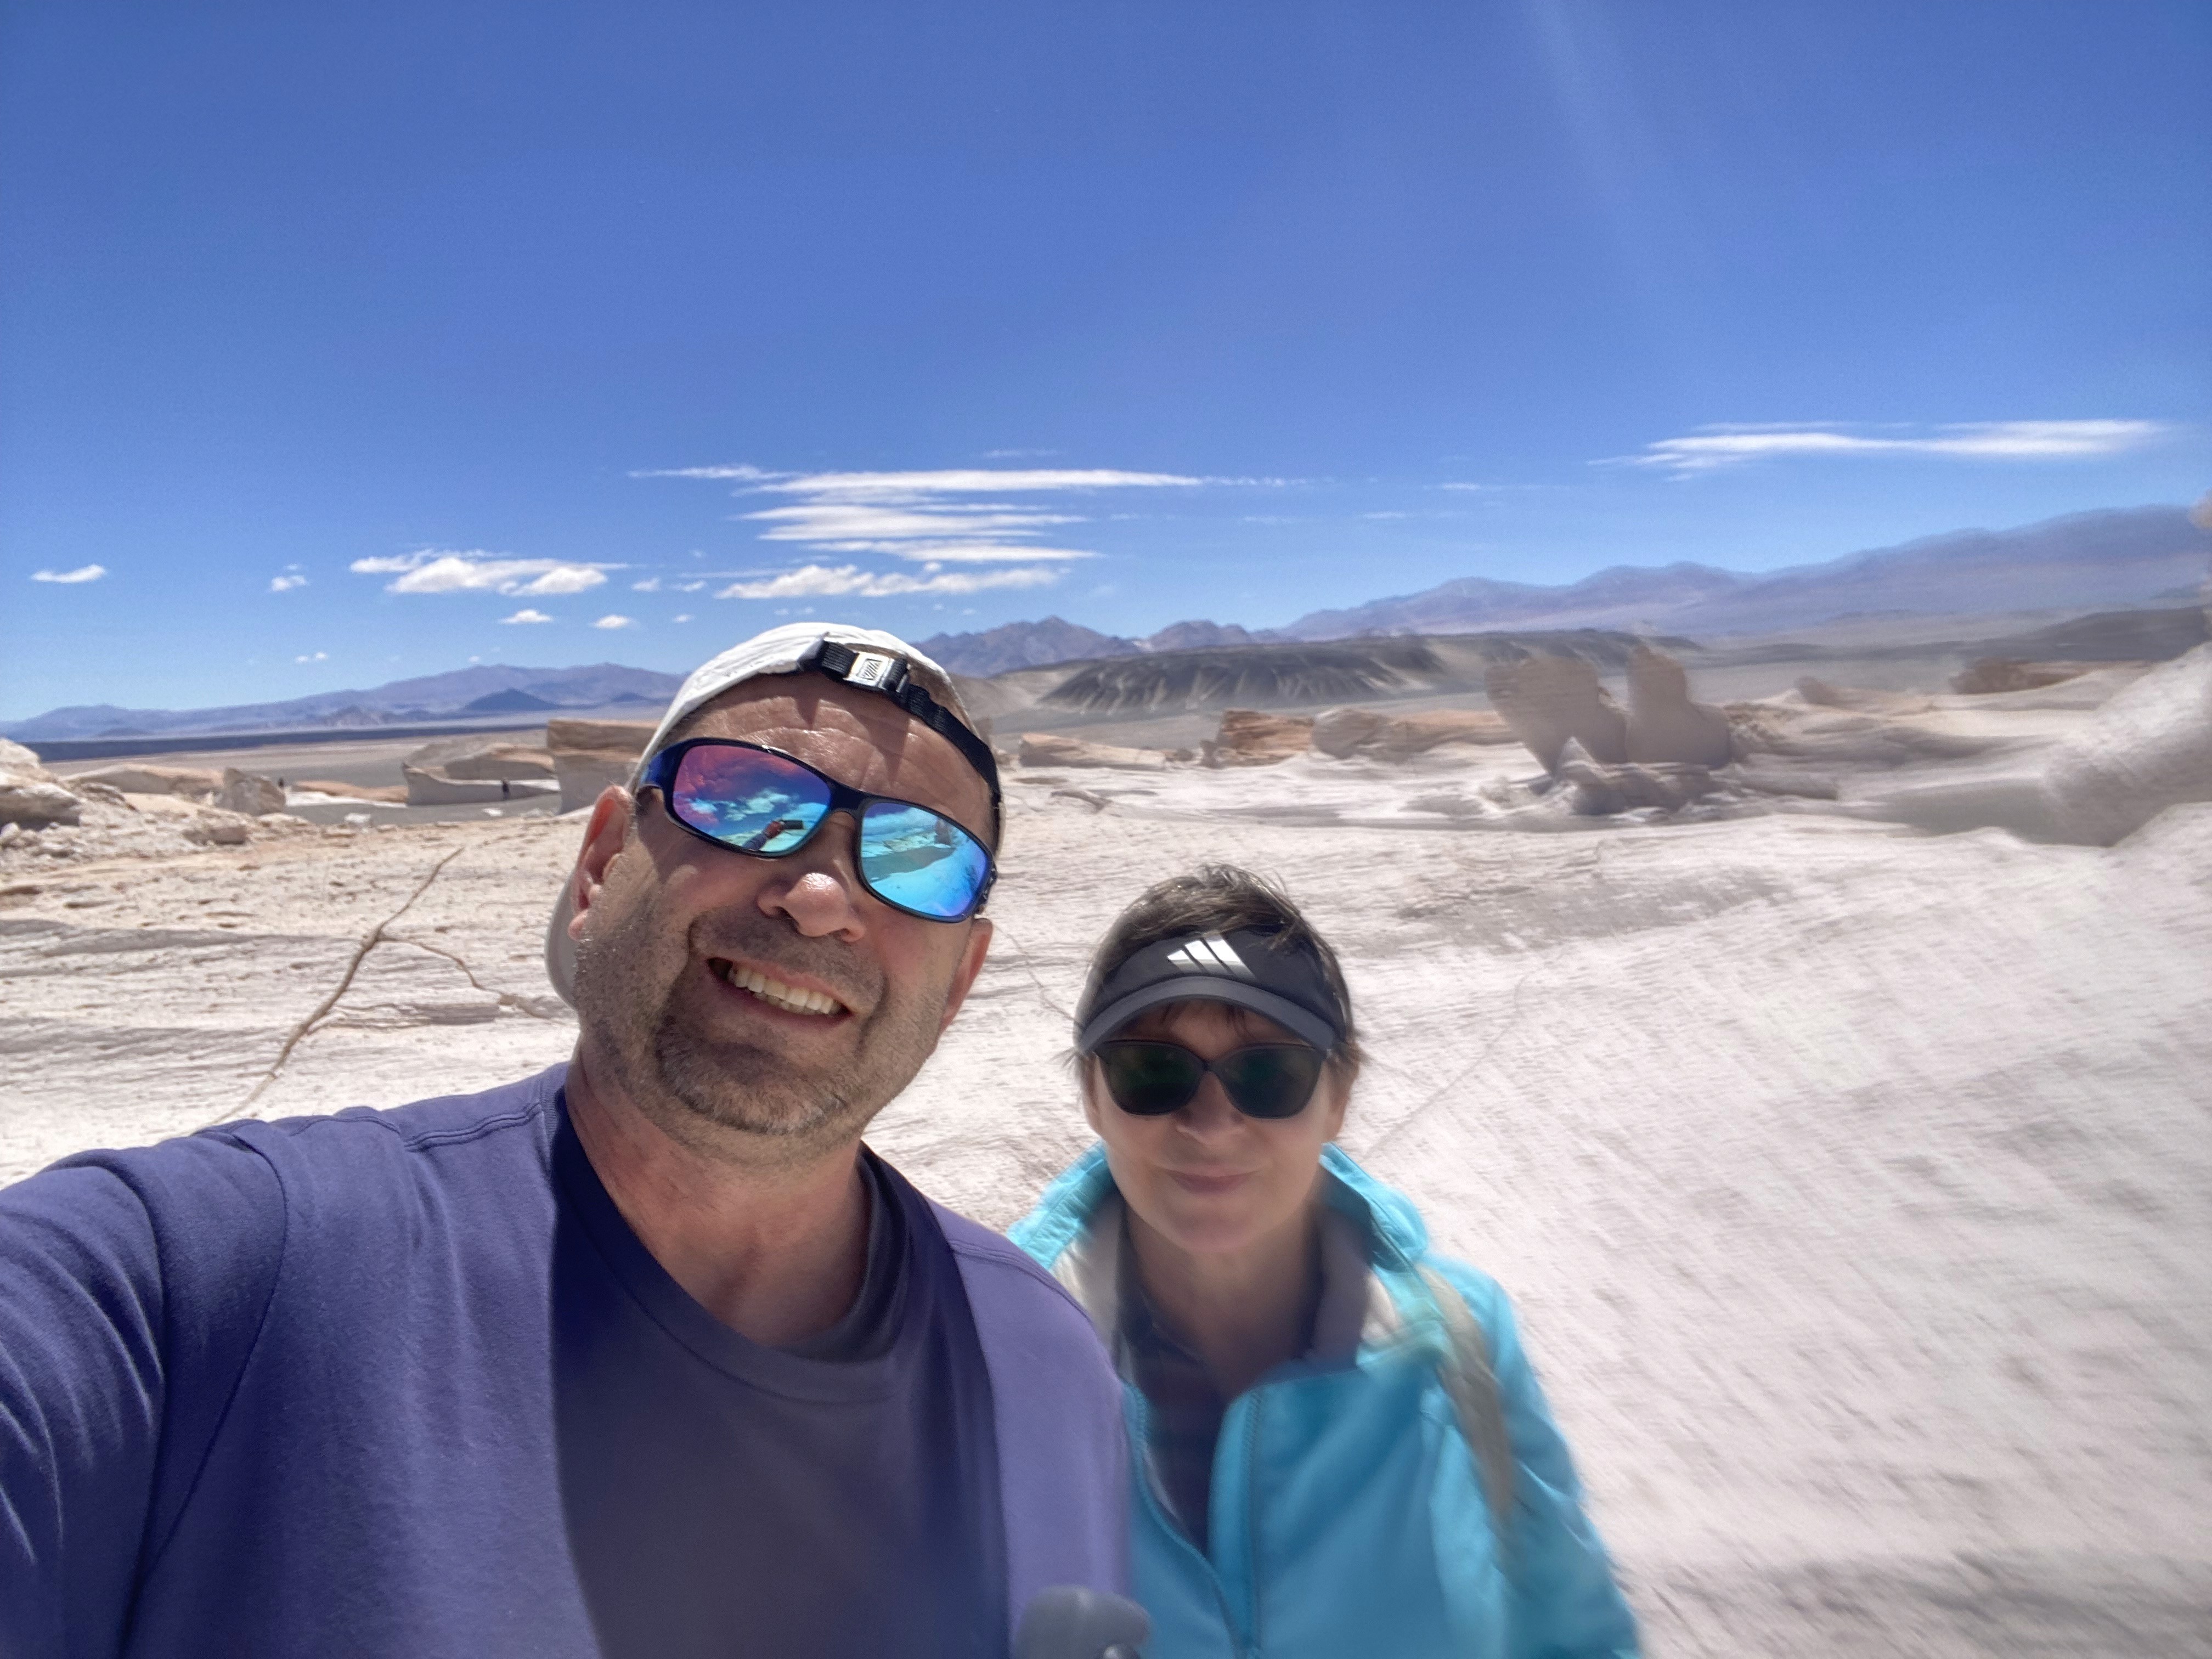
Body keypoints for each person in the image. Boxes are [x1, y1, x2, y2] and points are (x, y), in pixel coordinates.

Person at [0, 623, 1128, 1659]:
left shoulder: (1044, 1364)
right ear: (599, 868)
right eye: (744, 800)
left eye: (921, 858)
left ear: (962, 981)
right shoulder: (207, 1286)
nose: (823, 893)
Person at [1011, 866, 1640, 1658]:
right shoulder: (996, 1356)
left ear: (1338, 1097)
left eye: (1269, 1074)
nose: (1211, 1125)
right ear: (1094, 1096)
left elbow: (1575, 1636)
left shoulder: (1459, 1342)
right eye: (1153, 1071)